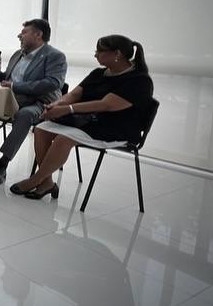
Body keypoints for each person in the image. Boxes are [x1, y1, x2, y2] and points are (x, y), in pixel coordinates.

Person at [9, 35, 153, 201]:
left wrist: (67, 109)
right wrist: (56, 104)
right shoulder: (99, 73)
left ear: (117, 54)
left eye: (99, 51)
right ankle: (47, 182)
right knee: (41, 129)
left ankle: (35, 179)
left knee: (64, 139)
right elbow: (75, 94)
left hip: (116, 128)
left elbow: (106, 105)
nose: (95, 55)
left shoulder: (139, 81)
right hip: (87, 121)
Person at [0, 19, 68, 185]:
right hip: (12, 99)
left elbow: (53, 83)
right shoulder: (17, 54)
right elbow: (7, 78)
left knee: (25, 115)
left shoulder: (55, 56)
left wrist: (15, 86)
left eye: (24, 32)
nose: (19, 35)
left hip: (40, 103)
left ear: (38, 35)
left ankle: (2, 163)